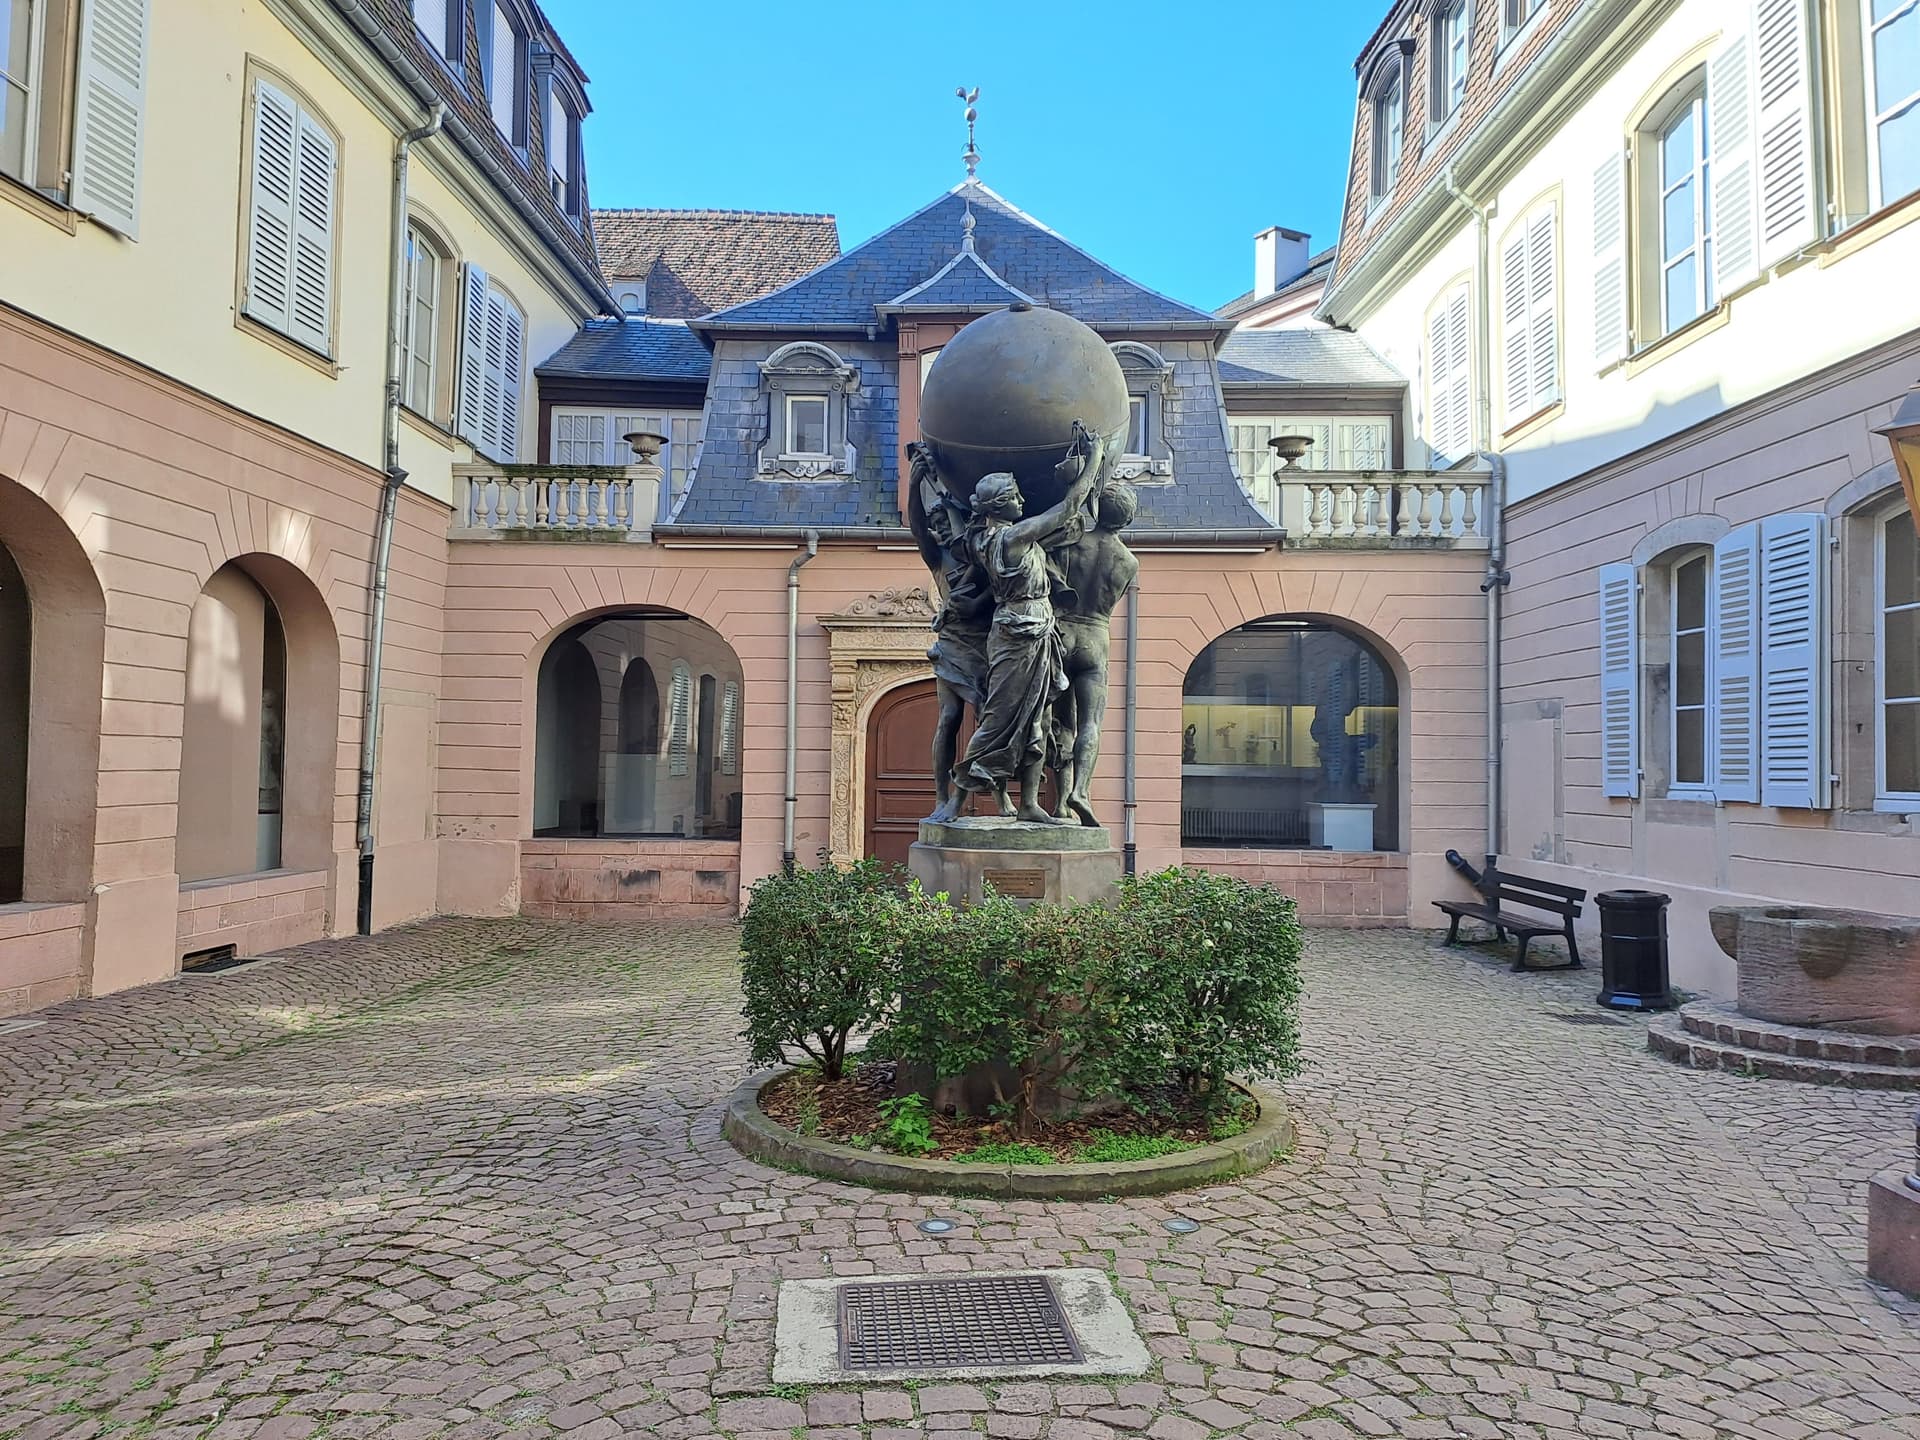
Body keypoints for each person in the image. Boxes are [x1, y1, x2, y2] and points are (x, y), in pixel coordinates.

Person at [949, 422, 1106, 824]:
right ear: (999, 505)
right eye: (1015, 496)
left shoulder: (983, 539)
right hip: (1020, 631)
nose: (1022, 500)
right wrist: (1094, 459)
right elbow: (1068, 508)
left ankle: (1030, 804)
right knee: (999, 718)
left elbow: (1062, 527)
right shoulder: (1011, 538)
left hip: (1034, 629)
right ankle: (957, 798)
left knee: (1038, 717)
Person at [906, 442, 1003, 821]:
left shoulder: (982, 554)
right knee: (948, 718)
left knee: (991, 723)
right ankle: (941, 796)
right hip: (951, 645)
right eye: (938, 525)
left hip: (988, 646)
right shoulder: (939, 557)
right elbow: (917, 527)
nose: (942, 528)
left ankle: (1000, 796)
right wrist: (915, 484)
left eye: (948, 522)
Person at [1047, 480, 1138, 825]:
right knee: (1091, 723)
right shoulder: (1129, 562)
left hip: (1063, 631)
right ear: (1127, 519)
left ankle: (1060, 804)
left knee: (1062, 721)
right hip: (1096, 638)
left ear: (1098, 509)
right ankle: (1080, 792)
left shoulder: (1073, 544)